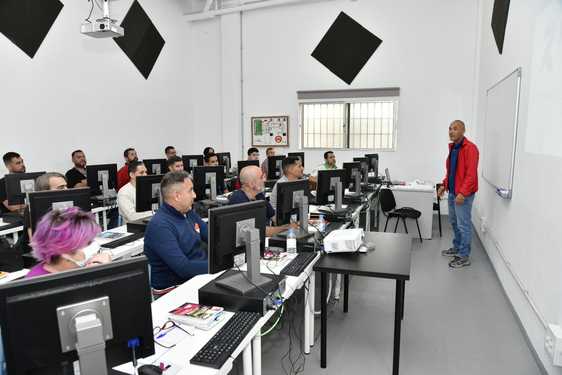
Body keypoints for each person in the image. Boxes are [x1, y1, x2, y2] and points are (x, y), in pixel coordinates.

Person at [143, 171, 208, 291]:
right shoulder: (160, 226)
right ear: (177, 196)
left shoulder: (188, 213)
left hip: (197, 278)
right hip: (174, 289)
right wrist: (218, 265)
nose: (194, 195)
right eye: (190, 190)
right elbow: (184, 268)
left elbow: (212, 235)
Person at [438, 120, 479, 269]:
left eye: (455, 129)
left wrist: (462, 193)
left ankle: (464, 256)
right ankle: (457, 247)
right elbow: (452, 172)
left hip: (464, 194)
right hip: (453, 192)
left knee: (464, 225)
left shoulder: (470, 148)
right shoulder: (453, 148)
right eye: (450, 129)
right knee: (454, 223)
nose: (451, 131)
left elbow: (471, 174)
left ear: (463, 131)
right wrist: (444, 184)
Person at [26, 207, 111, 277]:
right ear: (65, 250)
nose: (94, 246)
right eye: (88, 243)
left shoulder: (74, 270)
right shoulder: (38, 284)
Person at [229, 166, 291, 237]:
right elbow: (260, 231)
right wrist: (286, 228)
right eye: (261, 177)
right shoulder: (239, 200)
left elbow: (274, 217)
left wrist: (291, 222)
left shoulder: (258, 195)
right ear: (251, 184)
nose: (264, 180)